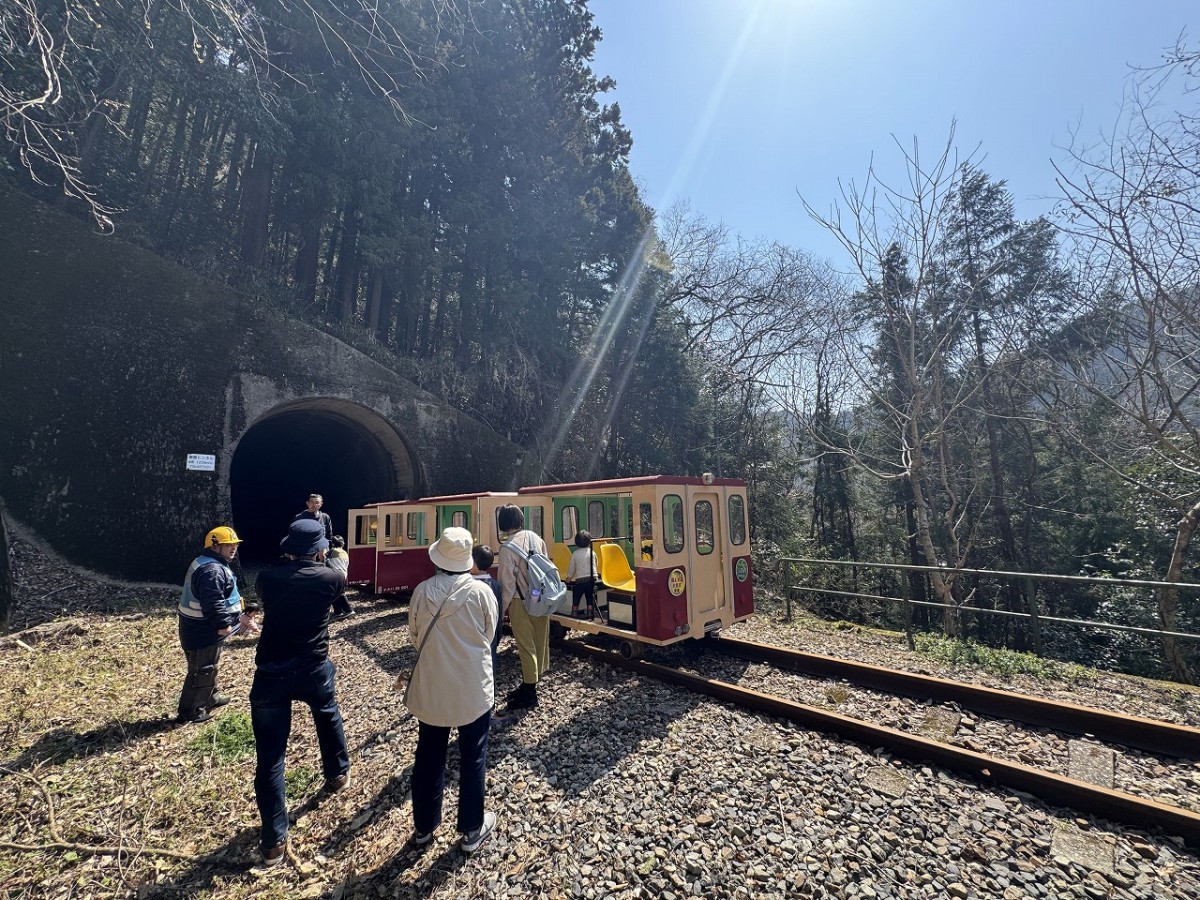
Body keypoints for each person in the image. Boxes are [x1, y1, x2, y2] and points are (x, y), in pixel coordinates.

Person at [250, 518, 351, 867]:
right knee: (327, 714)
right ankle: (337, 774)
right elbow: (339, 577)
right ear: (318, 549)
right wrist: (333, 556)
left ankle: (273, 841)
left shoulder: (267, 579)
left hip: (271, 671)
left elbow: (267, 594)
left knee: (270, 755)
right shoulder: (331, 578)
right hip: (313, 665)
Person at [405, 527, 499, 853]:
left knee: (429, 756)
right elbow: (489, 635)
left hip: (432, 688)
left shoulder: (421, 591)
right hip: (473, 688)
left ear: (439, 557)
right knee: (473, 757)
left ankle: (424, 828)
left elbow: (416, 636)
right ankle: (472, 829)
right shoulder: (482, 593)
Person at [176, 526, 259, 724]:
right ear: (214, 547)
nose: (233, 548)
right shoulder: (212, 570)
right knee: (203, 669)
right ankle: (191, 711)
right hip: (204, 630)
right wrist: (223, 624)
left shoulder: (207, 563)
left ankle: (211, 697)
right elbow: (213, 602)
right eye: (227, 545)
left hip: (198, 627)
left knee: (208, 666)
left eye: (234, 545)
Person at [496, 504, 549, 711]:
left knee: (525, 645)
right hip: (541, 596)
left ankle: (530, 691)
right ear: (520, 520)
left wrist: (501, 611)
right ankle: (532, 682)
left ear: (503, 523)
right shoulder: (536, 538)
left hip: (521, 600)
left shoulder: (507, 548)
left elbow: (506, 584)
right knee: (539, 639)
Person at [470, 545, 504, 704]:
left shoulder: (467, 585)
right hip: (490, 637)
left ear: (473, 563)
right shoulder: (495, 585)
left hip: (470, 637)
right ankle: (489, 701)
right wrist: (498, 636)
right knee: (489, 669)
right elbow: (499, 613)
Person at [565, 530, 600, 620]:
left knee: (576, 596)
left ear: (576, 543)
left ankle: (574, 614)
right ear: (589, 542)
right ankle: (590, 614)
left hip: (580, 580)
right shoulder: (592, 552)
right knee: (589, 598)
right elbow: (596, 563)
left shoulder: (575, 554)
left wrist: (569, 577)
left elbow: (572, 568)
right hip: (592, 579)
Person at [327, 535, 354, 620]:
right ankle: (338, 611)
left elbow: (323, 557)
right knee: (335, 593)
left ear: (333, 544)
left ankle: (349, 610)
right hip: (343, 574)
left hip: (335, 575)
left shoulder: (332, 551)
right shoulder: (344, 552)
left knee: (340, 594)